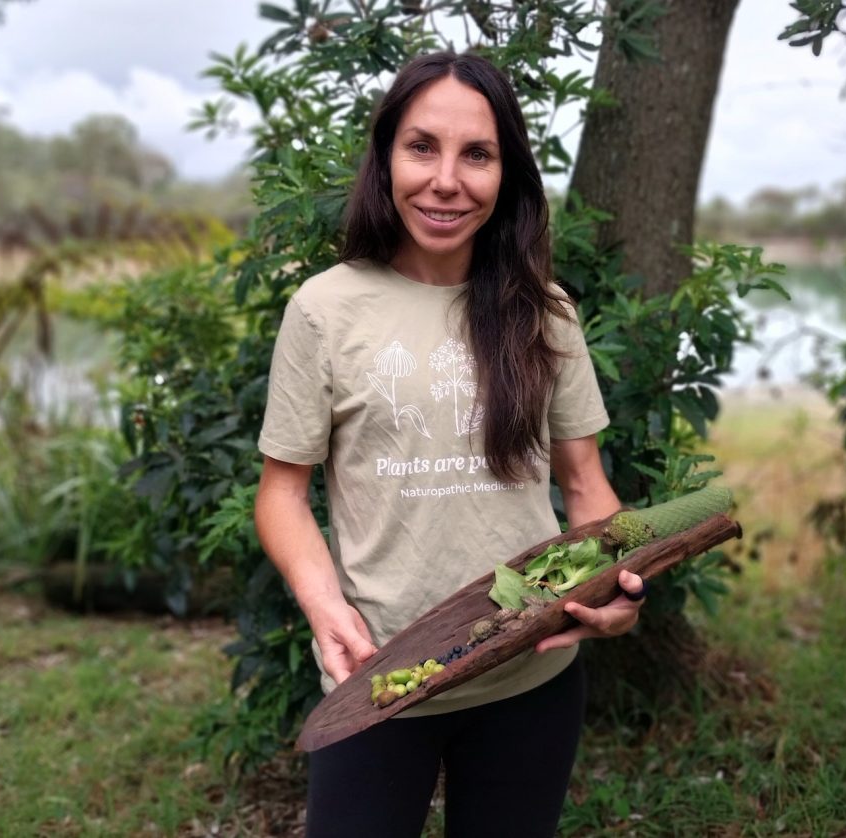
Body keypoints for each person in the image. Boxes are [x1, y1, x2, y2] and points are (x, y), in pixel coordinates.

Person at [253, 50, 647, 838]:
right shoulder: (326, 310)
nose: (446, 180)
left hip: (531, 673)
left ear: (507, 176)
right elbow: (282, 493)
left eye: (478, 154)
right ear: (386, 158)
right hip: (378, 675)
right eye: (422, 146)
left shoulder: (545, 311)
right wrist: (323, 604)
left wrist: (625, 581)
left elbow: (585, 482)